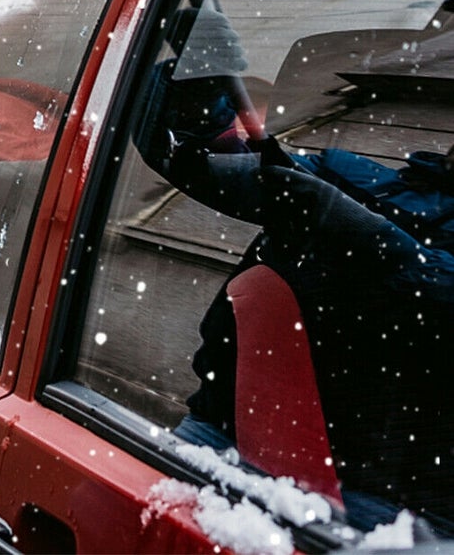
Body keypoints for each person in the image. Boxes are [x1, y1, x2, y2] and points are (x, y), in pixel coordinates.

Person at [137, 35, 454, 533]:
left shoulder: (352, 200)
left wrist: (378, 243)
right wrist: (199, 82)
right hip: (225, 441)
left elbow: (434, 286)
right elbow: (189, 159)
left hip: (389, 514)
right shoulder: (353, 177)